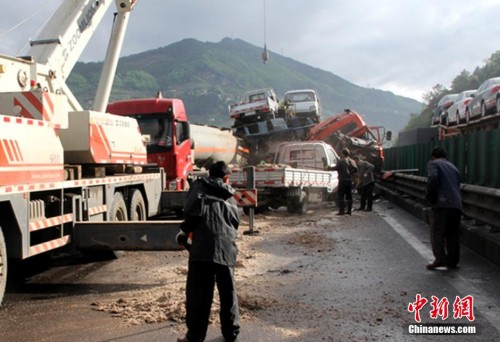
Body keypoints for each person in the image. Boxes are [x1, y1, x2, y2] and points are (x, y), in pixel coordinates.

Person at [176, 161, 241, 342]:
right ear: (226, 177)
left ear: (209, 174)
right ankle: (231, 334)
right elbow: (236, 223)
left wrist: (183, 233)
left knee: (199, 295)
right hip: (227, 249)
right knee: (228, 293)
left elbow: (191, 212)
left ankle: (195, 337)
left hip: (203, 250)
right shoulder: (231, 197)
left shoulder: (199, 186)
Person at [425, 146, 462, 270]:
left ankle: (440, 259)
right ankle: (453, 261)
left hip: (442, 204)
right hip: (456, 204)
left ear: (433, 156)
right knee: (452, 234)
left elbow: (433, 178)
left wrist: (431, 196)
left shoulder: (433, 164)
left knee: (438, 233)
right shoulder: (453, 167)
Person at [330, 148, 357, 215]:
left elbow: (335, 168)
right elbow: (356, 170)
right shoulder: (353, 161)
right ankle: (349, 211)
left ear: (343, 154)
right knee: (349, 196)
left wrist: (328, 168)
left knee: (341, 196)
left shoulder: (341, 161)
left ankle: (341, 211)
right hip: (349, 181)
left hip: (342, 181)